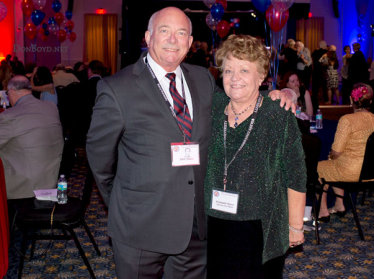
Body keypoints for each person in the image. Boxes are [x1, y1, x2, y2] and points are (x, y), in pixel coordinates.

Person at [86, 7, 295, 279]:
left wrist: (280, 93)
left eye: (181, 33)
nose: (173, 39)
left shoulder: (202, 78)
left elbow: (237, 104)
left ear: (189, 41)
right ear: (148, 37)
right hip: (140, 226)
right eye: (165, 31)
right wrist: (122, 203)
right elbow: (99, 158)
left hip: (195, 225)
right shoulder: (117, 88)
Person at [204, 34, 307, 279]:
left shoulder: (277, 115)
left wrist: (295, 226)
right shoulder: (213, 107)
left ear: (261, 76)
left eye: (244, 70)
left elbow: (295, 174)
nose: (235, 78)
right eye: (228, 70)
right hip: (215, 222)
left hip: (262, 226)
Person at [317, 83, 374, 221]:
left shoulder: (347, 120)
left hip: (352, 172)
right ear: (370, 101)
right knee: (332, 164)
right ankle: (339, 205)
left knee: (317, 168)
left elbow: (336, 151)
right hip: (373, 170)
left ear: (351, 100)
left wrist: (332, 155)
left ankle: (322, 211)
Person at [0, 75, 64, 200]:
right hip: (51, 182)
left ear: (11, 91)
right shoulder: (51, 108)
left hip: (24, 190)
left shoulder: (9, 116)